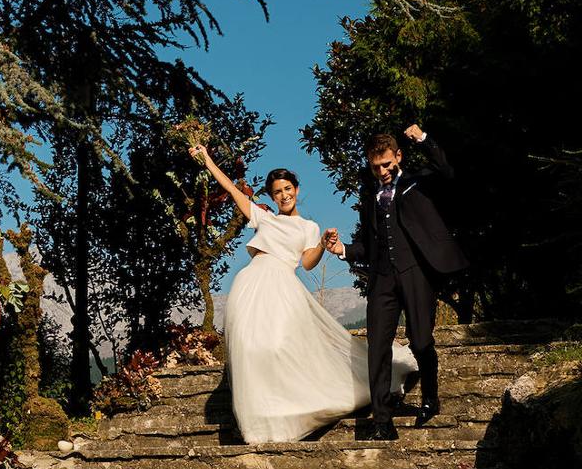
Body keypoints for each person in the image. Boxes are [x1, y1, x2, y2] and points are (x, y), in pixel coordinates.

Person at [189, 143, 416, 444]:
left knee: (277, 345)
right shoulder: (264, 218)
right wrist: (206, 159)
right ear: (271, 196)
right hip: (249, 285)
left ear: (296, 189)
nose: (283, 195)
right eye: (277, 192)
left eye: (287, 189)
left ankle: (290, 409)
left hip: (282, 286)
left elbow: (307, 263)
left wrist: (322, 243)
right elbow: (232, 190)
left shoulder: (309, 227)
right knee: (250, 348)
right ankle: (261, 423)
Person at [323, 125, 468, 440]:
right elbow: (368, 244)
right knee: (377, 347)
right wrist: (342, 249)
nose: (383, 171)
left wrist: (424, 139)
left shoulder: (418, 183)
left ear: (398, 156)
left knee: (420, 341)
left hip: (416, 272)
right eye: (376, 167)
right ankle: (382, 422)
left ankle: (430, 397)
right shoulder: (370, 196)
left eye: (387, 164)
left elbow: (446, 171)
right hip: (382, 278)